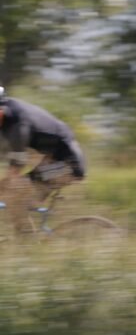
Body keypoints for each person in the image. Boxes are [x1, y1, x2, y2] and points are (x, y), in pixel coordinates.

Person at [0, 87, 86, 234]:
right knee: (13, 193)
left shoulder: (17, 124)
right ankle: (29, 242)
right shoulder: (10, 110)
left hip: (69, 166)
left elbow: (16, 166)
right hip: (56, 161)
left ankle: (27, 246)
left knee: (13, 195)